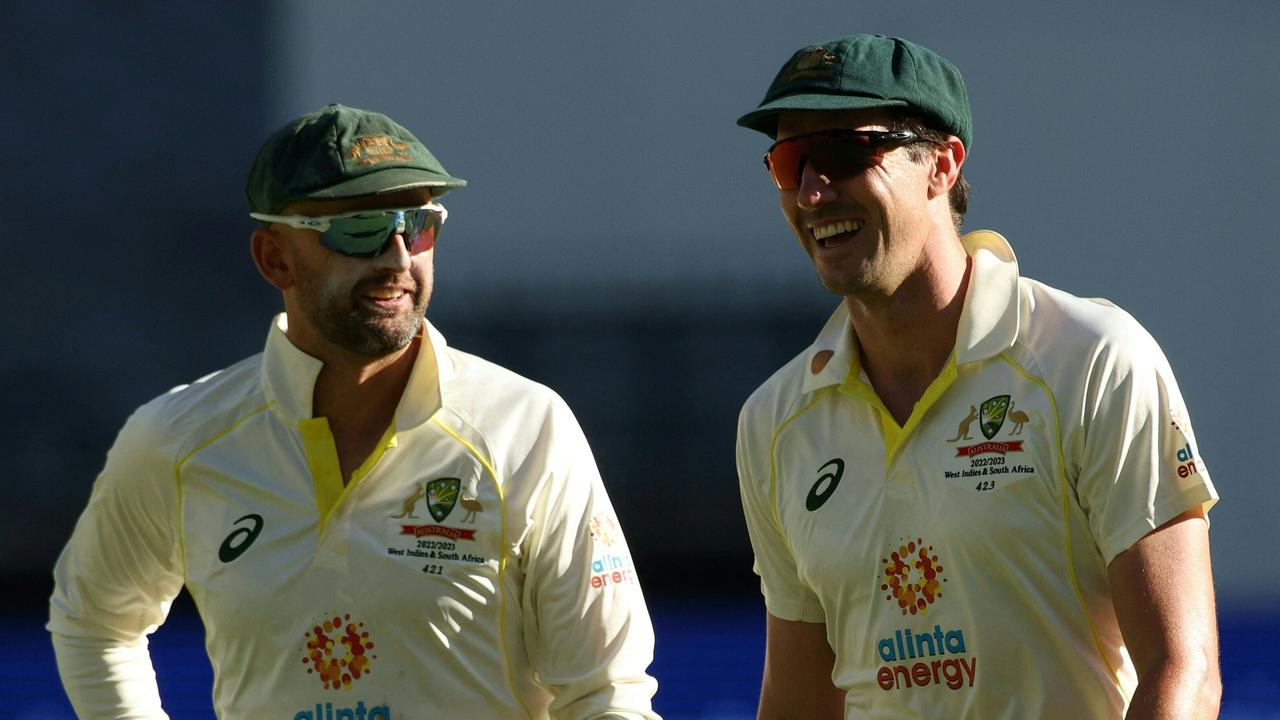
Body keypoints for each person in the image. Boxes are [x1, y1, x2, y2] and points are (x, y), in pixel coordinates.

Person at [48, 104, 660, 719]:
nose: (398, 258)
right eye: (361, 228)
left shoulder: (527, 426)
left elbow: (609, 693)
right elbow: (94, 623)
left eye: (418, 224)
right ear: (274, 258)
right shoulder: (176, 439)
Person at [733, 34, 1220, 719]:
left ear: (942, 164)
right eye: (789, 161)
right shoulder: (775, 419)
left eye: (843, 152)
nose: (812, 190)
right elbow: (799, 702)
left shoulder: (1094, 360)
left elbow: (1184, 675)